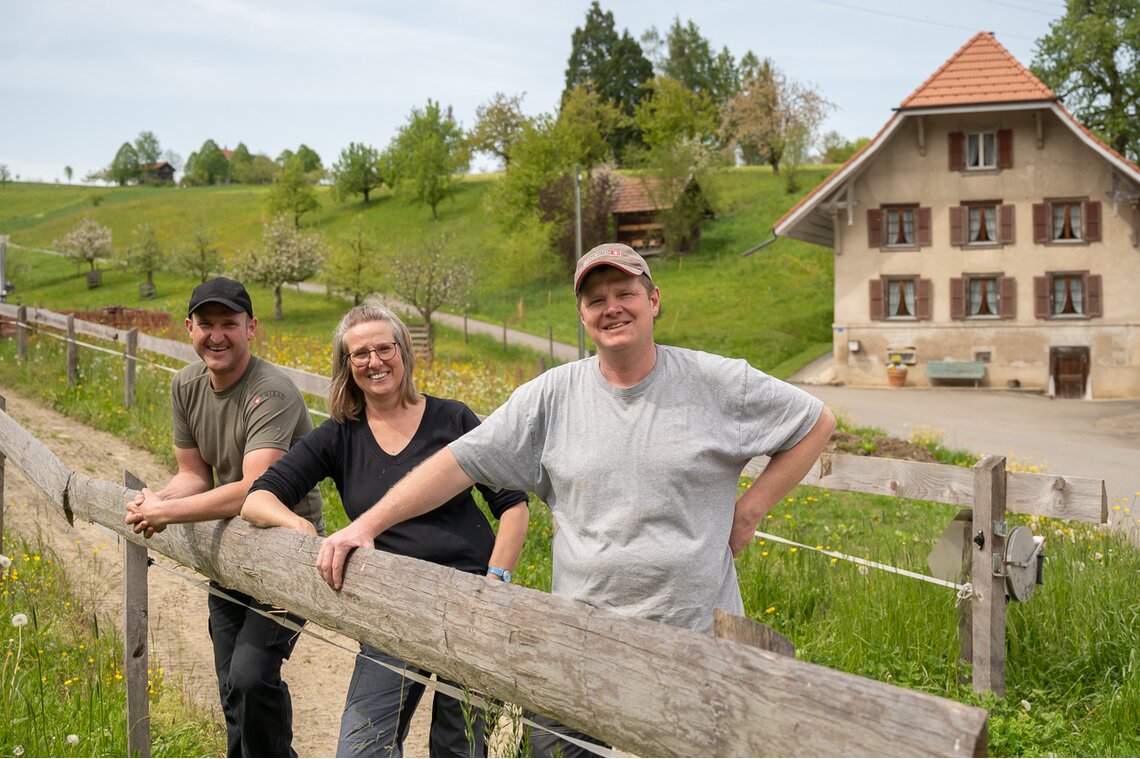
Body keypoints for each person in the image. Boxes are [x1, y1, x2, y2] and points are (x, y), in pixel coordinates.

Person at [315, 244, 836, 756]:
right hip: (580, 637)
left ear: (653, 300)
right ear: (582, 315)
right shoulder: (551, 396)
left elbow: (816, 420)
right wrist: (368, 524)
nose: (611, 307)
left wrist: (750, 510)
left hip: (695, 634)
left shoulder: (717, 381)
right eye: (595, 299)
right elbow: (458, 463)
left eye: (624, 292)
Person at [242, 304, 529, 758]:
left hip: (469, 602)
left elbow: (513, 505)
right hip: (390, 607)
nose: (374, 361)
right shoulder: (339, 435)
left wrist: (497, 582)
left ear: (403, 351)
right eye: (360, 354)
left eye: (383, 348)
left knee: (460, 748)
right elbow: (256, 498)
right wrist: (298, 525)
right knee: (362, 749)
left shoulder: (453, 420)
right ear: (346, 366)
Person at [125, 276, 322, 758]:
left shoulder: (272, 392)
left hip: (284, 551)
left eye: (229, 324)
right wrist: (154, 500)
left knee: (252, 677)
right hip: (231, 552)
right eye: (206, 324)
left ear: (251, 328)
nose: (217, 335)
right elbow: (193, 474)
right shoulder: (186, 385)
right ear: (189, 328)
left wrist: (166, 512)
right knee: (231, 685)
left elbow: (254, 490)